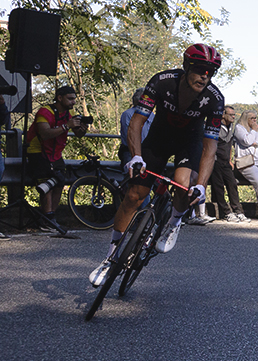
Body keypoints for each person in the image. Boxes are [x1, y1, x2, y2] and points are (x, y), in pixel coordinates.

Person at [88, 44, 225, 287]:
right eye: (200, 69)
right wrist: (136, 156)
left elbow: (210, 147)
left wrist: (202, 186)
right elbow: (137, 122)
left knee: (183, 185)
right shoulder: (162, 82)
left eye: (211, 72)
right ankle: (110, 258)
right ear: (186, 66)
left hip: (189, 143)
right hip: (159, 139)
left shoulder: (214, 99)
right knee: (134, 195)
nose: (205, 76)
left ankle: (174, 222)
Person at [26, 84, 91, 216]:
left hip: (55, 153)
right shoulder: (45, 112)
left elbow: (78, 134)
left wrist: (82, 129)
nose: (73, 102)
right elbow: (45, 134)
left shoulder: (68, 113)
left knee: (60, 182)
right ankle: (47, 217)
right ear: (60, 98)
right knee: (46, 184)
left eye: (74, 99)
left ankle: (51, 215)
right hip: (37, 151)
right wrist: (66, 126)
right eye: (70, 99)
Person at [210, 105, 247, 223]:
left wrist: (230, 160)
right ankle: (226, 212)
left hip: (226, 161)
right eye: (230, 115)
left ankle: (238, 211)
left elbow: (230, 144)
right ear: (223, 115)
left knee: (232, 184)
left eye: (234, 115)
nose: (233, 117)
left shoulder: (231, 127)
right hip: (215, 161)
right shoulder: (216, 127)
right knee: (219, 187)